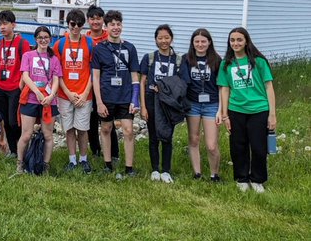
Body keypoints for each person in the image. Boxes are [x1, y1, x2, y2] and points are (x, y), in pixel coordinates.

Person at [216, 27, 276, 193]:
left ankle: (257, 179)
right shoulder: (226, 64)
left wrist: (272, 114)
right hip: (236, 110)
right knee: (238, 146)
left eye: (239, 40)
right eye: (232, 40)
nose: (235, 43)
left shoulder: (259, 61)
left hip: (259, 109)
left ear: (246, 41)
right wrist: (225, 115)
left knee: (258, 147)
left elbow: (269, 87)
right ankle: (242, 178)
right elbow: (225, 89)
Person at [91, 10, 140, 176]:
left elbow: (135, 76)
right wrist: (99, 102)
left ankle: (129, 168)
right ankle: (108, 164)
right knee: (106, 128)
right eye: (112, 24)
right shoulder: (99, 49)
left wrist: (135, 99)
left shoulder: (130, 48)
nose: (116, 27)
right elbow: (95, 77)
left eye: (118, 24)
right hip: (107, 96)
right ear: (106, 27)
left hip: (125, 96)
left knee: (128, 130)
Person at [14, 26, 62, 177]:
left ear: (50, 39)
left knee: (48, 135)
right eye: (40, 37)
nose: (43, 40)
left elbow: (56, 79)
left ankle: (45, 166)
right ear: (36, 39)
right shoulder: (28, 55)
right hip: (30, 99)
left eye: (46, 37)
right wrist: (37, 92)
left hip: (48, 101)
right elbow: (25, 76)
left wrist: (51, 95)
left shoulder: (54, 59)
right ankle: (20, 164)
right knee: (26, 134)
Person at [179, 28, 222, 182]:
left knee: (211, 144)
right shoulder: (186, 59)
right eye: (197, 41)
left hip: (211, 105)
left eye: (203, 41)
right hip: (193, 104)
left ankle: (214, 174)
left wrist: (221, 110)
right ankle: (197, 173)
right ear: (192, 43)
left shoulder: (216, 60)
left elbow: (222, 87)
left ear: (209, 42)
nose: (200, 44)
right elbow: (183, 82)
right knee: (194, 139)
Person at [139, 24, 181, 182]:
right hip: (151, 100)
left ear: (171, 39)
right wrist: (143, 106)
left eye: (166, 37)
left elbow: (180, 84)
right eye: (160, 38)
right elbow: (142, 82)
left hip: (169, 103)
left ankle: (166, 170)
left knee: (167, 136)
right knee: (153, 136)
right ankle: (155, 169)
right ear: (156, 40)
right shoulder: (149, 58)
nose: (164, 41)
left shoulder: (178, 60)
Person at [0, 10, 31, 161]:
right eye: (0, 24)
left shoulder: (22, 43)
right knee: (6, 121)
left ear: (13, 25)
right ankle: (13, 151)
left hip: (15, 88)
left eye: (5, 24)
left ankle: (22, 149)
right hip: (0, 88)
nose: (2, 27)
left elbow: (26, 66)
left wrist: (21, 84)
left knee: (15, 122)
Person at [57, 8, 93, 173]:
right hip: (65, 95)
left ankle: (83, 159)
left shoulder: (89, 43)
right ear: (68, 24)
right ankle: (72, 160)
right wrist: (68, 93)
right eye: (73, 24)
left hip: (84, 94)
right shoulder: (60, 44)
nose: (76, 27)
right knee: (69, 129)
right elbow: (57, 73)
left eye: (79, 24)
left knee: (82, 129)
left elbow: (94, 72)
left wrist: (85, 94)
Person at [85, 5, 118, 161]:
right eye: (92, 19)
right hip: (88, 83)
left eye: (98, 18)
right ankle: (96, 151)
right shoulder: (85, 39)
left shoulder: (109, 37)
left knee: (108, 120)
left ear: (103, 20)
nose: (95, 22)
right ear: (88, 20)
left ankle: (114, 153)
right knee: (91, 120)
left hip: (106, 84)